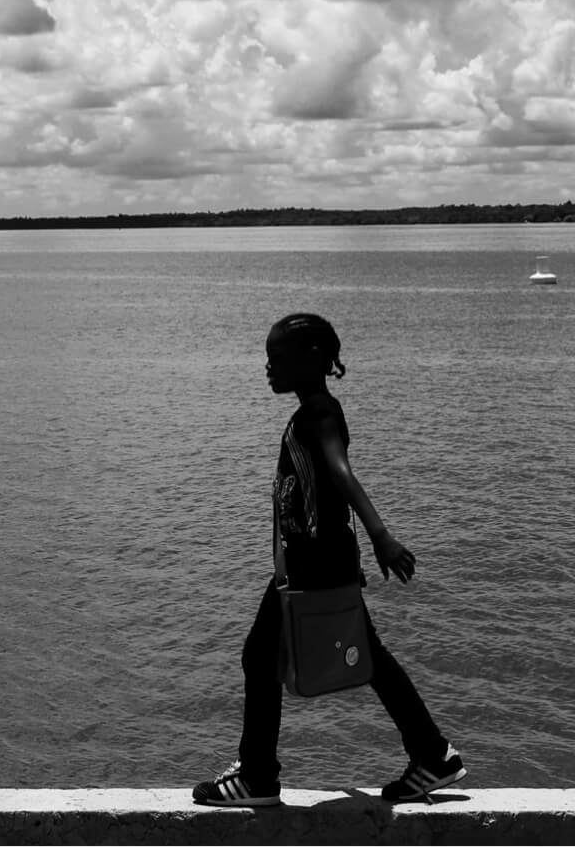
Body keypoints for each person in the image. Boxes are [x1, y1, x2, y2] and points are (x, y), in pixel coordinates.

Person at [191, 312, 464, 807]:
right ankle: (433, 754)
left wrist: (382, 534)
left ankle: (257, 776)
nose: (268, 368)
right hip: (323, 560)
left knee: (259, 655)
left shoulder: (318, 413)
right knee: (370, 658)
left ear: (312, 357)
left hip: (312, 566)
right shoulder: (315, 412)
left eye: (277, 358)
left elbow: (341, 472)